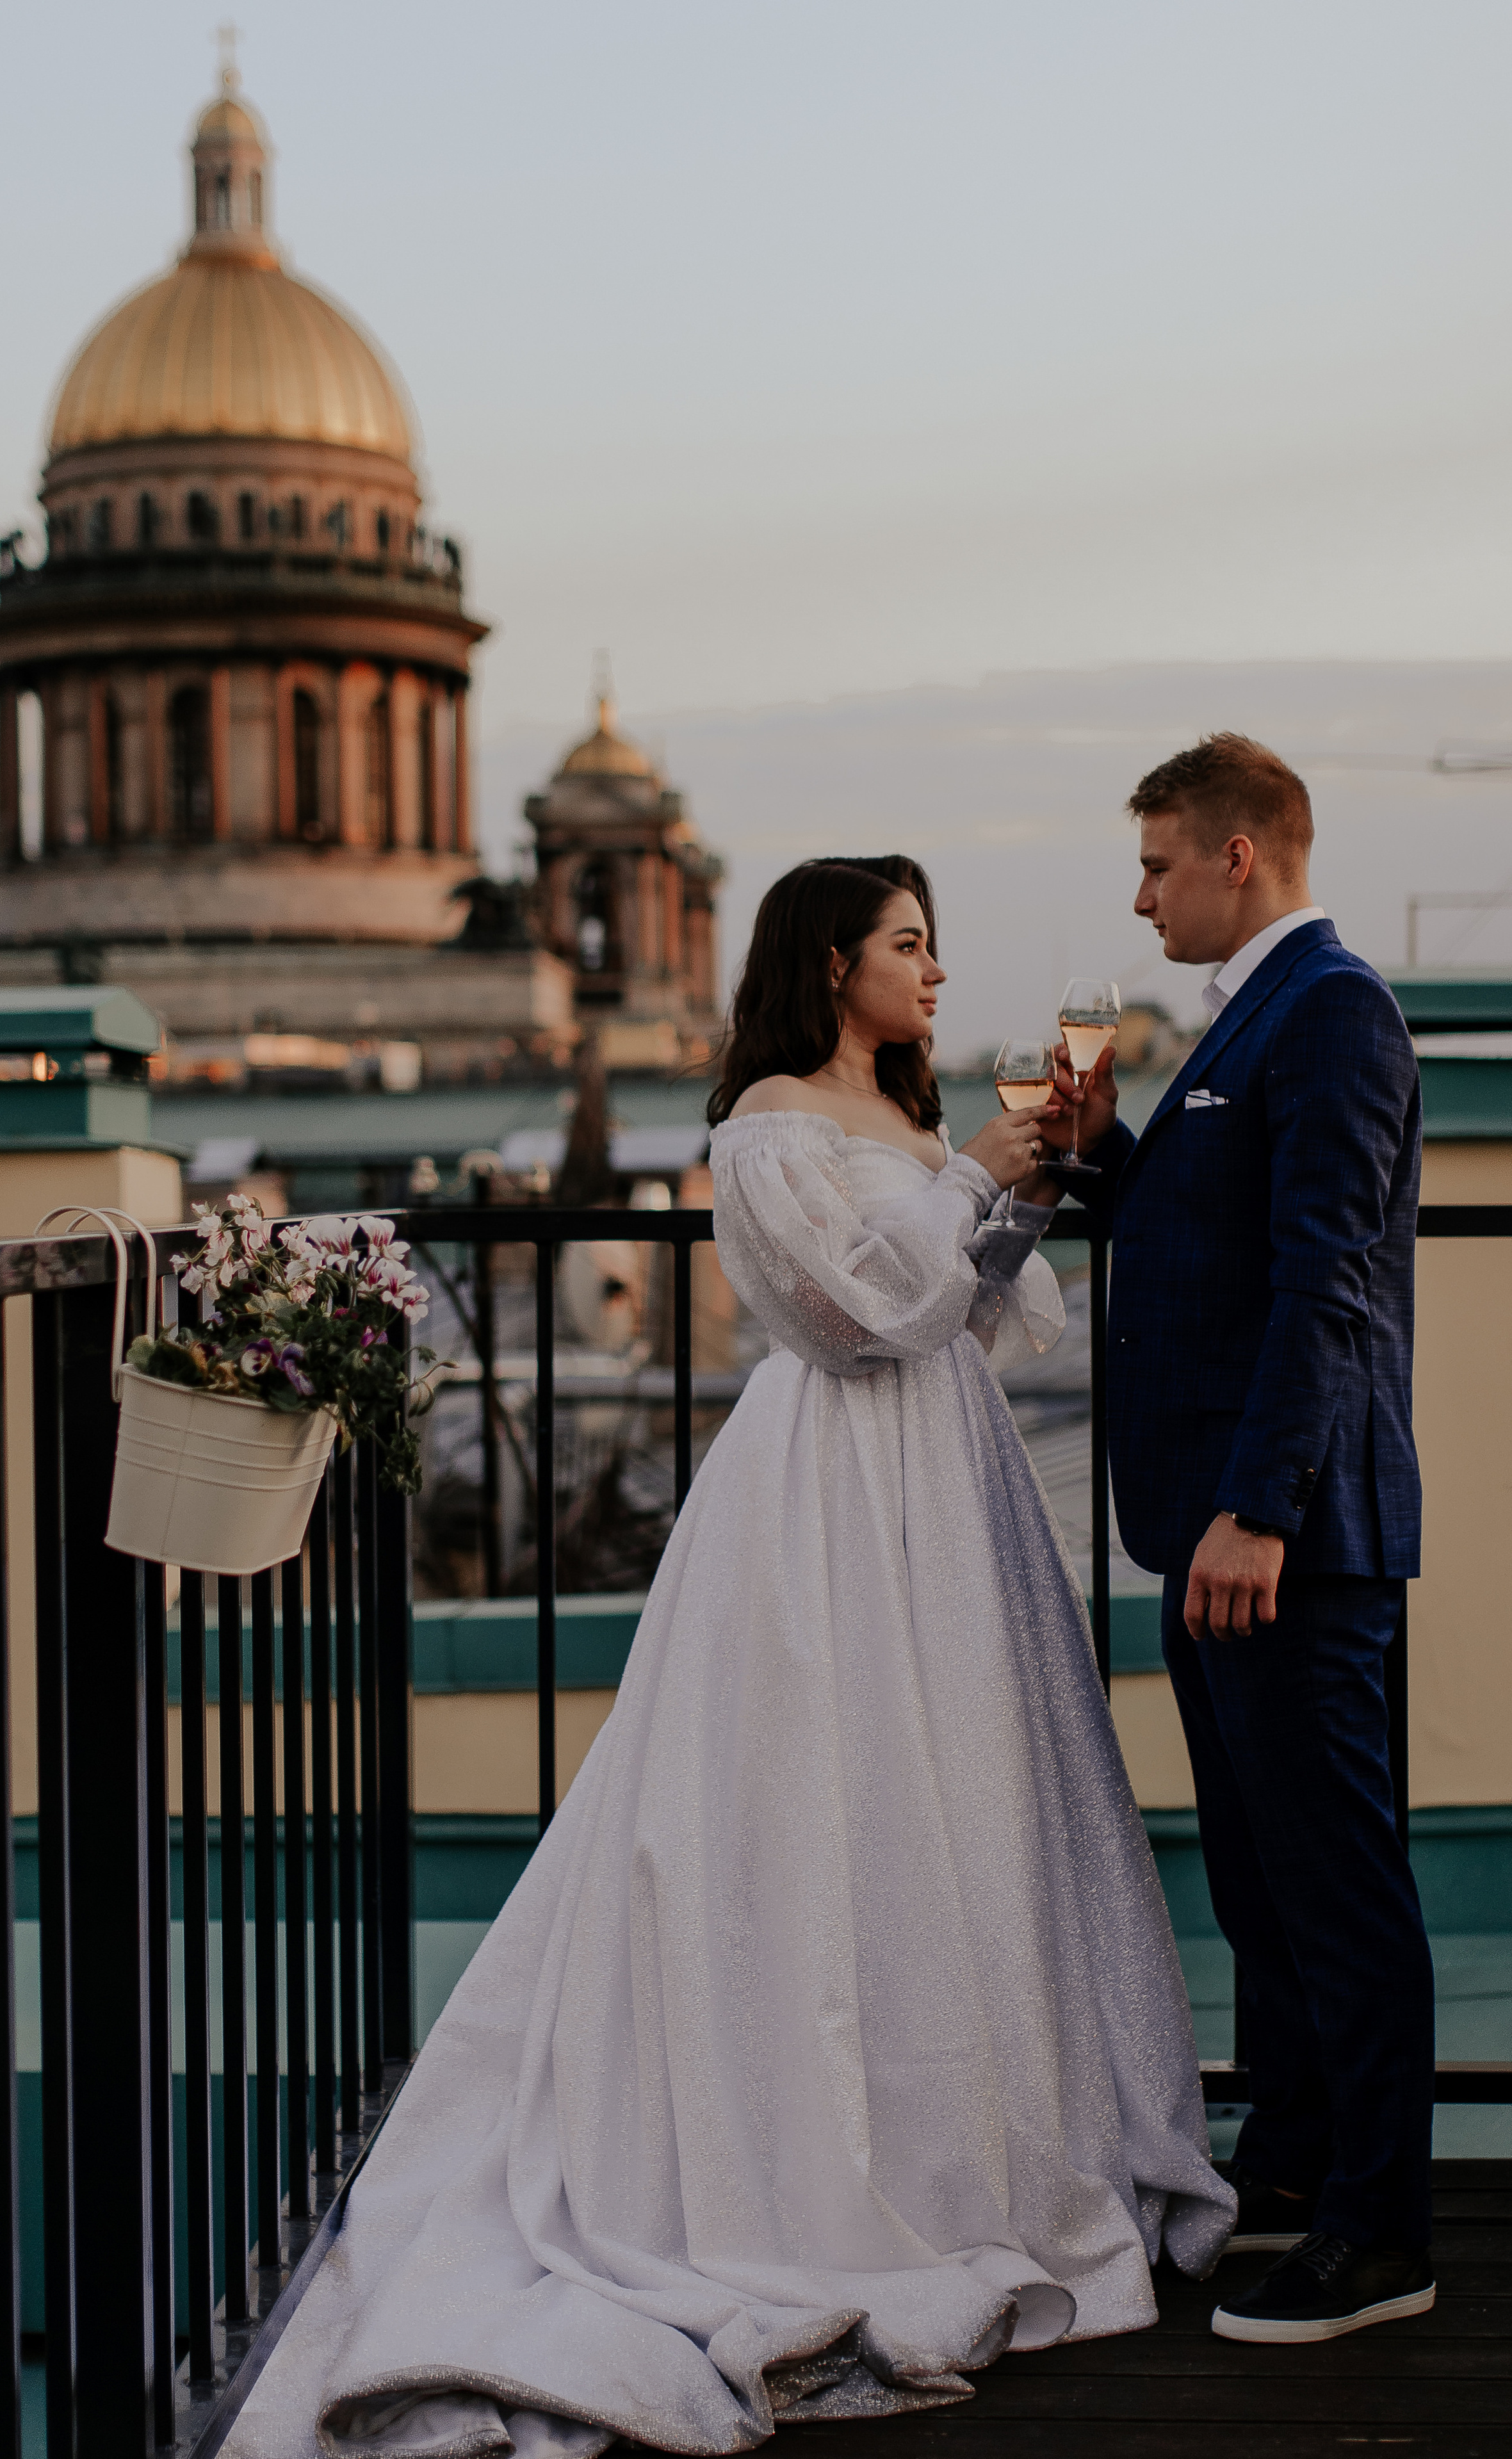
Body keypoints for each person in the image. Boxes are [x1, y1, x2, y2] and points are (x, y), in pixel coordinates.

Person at [229, 856, 1232, 2459]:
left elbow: (960, 1315)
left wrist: (1015, 1187)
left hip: (947, 1478)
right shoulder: (768, 1117)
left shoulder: (904, 1122)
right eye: (909, 945)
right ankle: (805, 2159)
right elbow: (844, 1319)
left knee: (966, 1801)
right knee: (820, 1791)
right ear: (832, 962)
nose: (933, 971)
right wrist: (975, 1173)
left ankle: (987, 2145)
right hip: (832, 1485)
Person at [1050, 734, 1435, 2346]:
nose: (1135, 897)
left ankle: (1379, 2232)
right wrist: (1101, 1155)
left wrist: (1257, 1512)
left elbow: (1325, 1283)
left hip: (1278, 1535)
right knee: (1260, 1877)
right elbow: (1203, 1243)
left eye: (1153, 865)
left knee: (1333, 1879)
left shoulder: (1329, 1009)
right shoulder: (1239, 1021)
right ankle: (1289, 2162)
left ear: (1236, 855)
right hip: (1212, 1529)